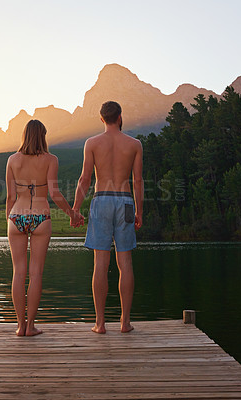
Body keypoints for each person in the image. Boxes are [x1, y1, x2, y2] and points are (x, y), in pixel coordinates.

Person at [6, 119, 83, 336]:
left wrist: (9, 221)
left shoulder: (12, 160)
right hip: (41, 216)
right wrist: (73, 214)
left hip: (16, 217)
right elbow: (55, 194)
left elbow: (11, 196)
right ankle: (31, 326)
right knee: (36, 273)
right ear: (43, 136)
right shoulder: (51, 160)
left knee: (18, 273)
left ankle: (20, 327)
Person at [72, 101, 144, 334]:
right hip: (124, 201)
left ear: (102, 119)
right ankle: (125, 323)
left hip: (101, 200)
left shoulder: (92, 143)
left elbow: (84, 179)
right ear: (120, 117)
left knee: (100, 265)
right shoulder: (134, 144)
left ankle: (100, 324)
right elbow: (138, 182)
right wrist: (139, 211)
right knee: (125, 264)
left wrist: (75, 208)